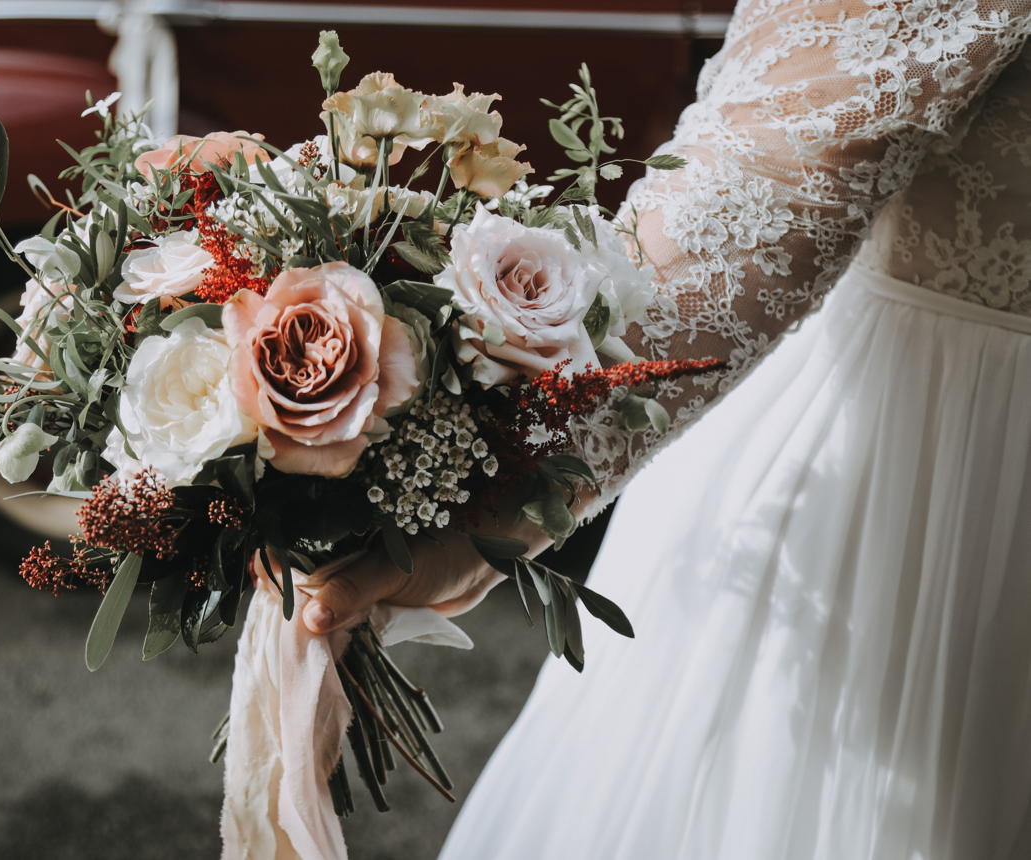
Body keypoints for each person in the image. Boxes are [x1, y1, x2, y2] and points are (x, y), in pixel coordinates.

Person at [300, 1, 1031, 856]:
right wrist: (500, 489)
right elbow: (767, 179)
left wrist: (493, 493)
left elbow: (765, 191)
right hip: (936, 464)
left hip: (958, 477)